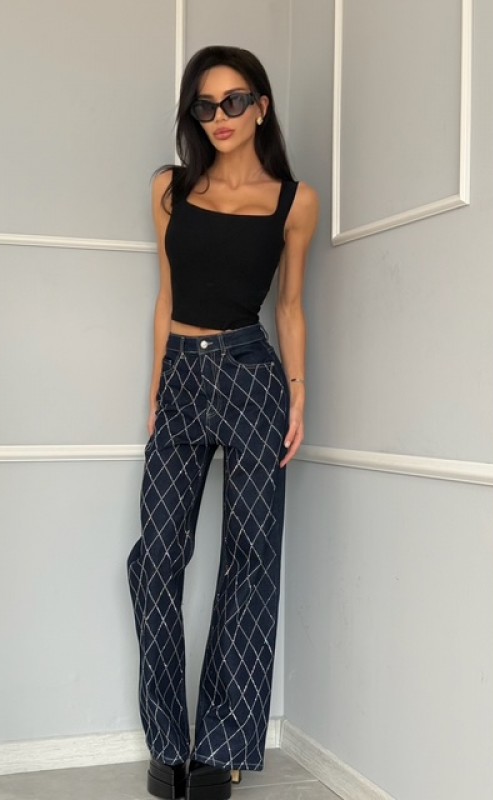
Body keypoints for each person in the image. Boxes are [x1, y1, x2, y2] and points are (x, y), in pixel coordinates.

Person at [127, 45, 319, 800]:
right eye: (205, 106)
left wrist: (298, 394)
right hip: (181, 375)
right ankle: (169, 745)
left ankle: (221, 750)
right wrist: (156, 389)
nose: (220, 117)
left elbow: (291, 307)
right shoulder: (169, 188)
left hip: (250, 373)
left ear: (261, 107)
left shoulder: (294, 202)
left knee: (250, 559)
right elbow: (165, 295)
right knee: (155, 561)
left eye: (234, 101)